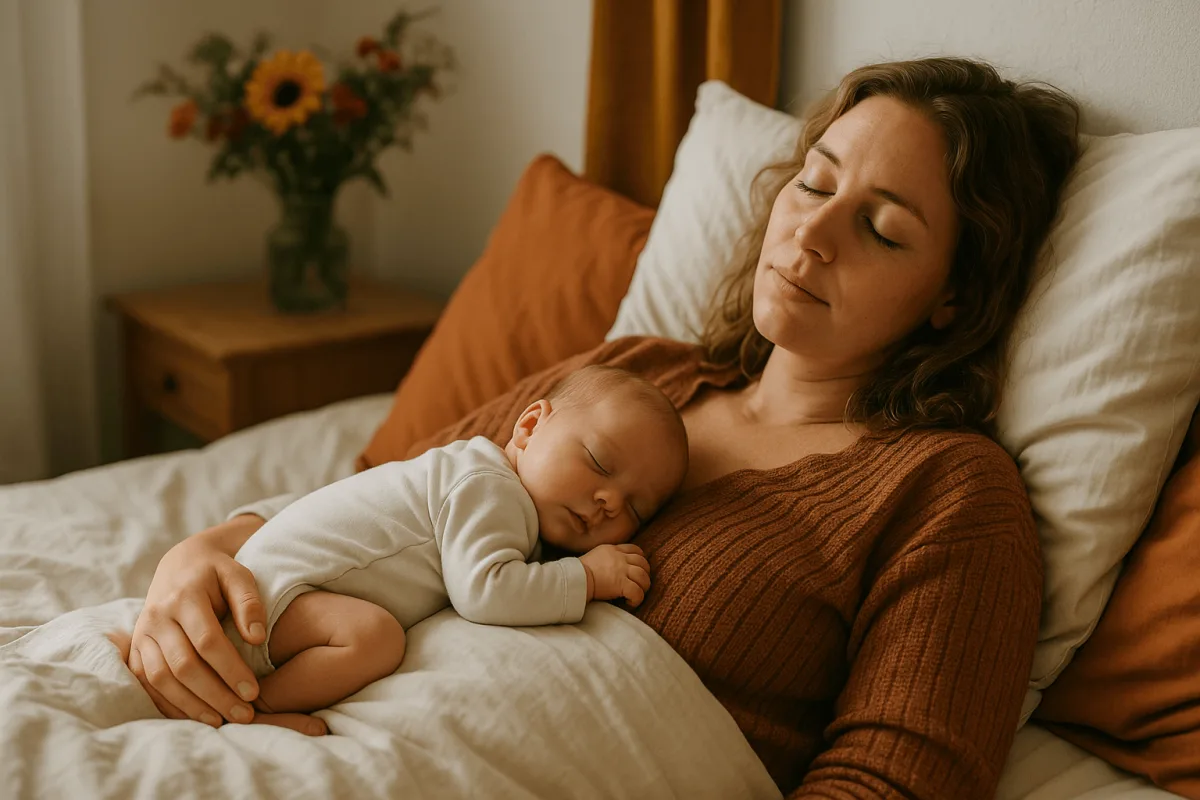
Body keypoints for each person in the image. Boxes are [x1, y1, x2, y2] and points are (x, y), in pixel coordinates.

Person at [124, 57, 1081, 798]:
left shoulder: (947, 491)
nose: (813, 234)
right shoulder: (637, 372)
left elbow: (900, 781)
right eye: (814, 183)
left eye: (883, 229)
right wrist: (211, 548)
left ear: (954, 297)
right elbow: (393, 492)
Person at [121, 365, 687, 720]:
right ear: (530, 425)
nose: (610, 501)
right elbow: (485, 592)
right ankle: (262, 707)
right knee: (375, 637)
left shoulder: (471, 477)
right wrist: (587, 577)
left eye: (636, 508)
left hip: (275, 590)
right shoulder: (492, 488)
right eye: (598, 462)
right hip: (274, 602)